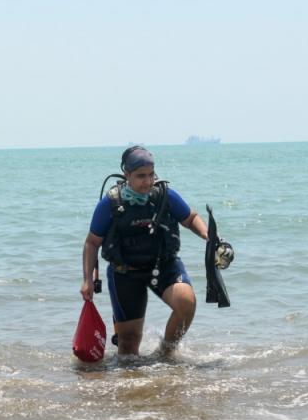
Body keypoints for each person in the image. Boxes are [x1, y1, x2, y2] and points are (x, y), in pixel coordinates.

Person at [80, 146, 221, 357]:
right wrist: (87, 279)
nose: (147, 181)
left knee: (186, 302)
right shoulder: (110, 203)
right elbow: (92, 243)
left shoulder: (164, 195)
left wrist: (207, 235)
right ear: (126, 174)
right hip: (125, 273)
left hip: (163, 266)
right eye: (140, 176)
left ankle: (165, 353)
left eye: (151, 175)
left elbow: (190, 218)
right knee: (128, 345)